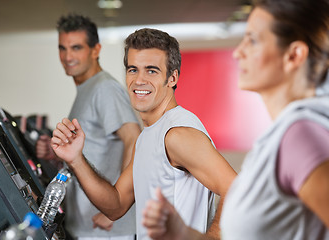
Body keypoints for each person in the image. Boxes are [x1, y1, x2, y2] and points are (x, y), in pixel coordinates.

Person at [141, 0, 329, 239]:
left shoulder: (300, 136)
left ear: (294, 55)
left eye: (252, 40)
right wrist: (184, 233)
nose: (238, 52)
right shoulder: (280, 135)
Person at [50, 28, 237, 240]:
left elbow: (238, 190)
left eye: (151, 71)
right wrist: (77, 160)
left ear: (172, 78)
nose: (139, 80)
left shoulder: (176, 135)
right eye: (133, 70)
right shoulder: (149, 135)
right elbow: (117, 204)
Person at [36, 14, 141, 240]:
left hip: (106, 229)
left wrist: (116, 207)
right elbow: (90, 151)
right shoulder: (87, 89)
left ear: (95, 50)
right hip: (85, 224)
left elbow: (134, 138)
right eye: (62, 48)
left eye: (76, 47)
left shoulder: (105, 88)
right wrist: (56, 156)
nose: (67, 56)